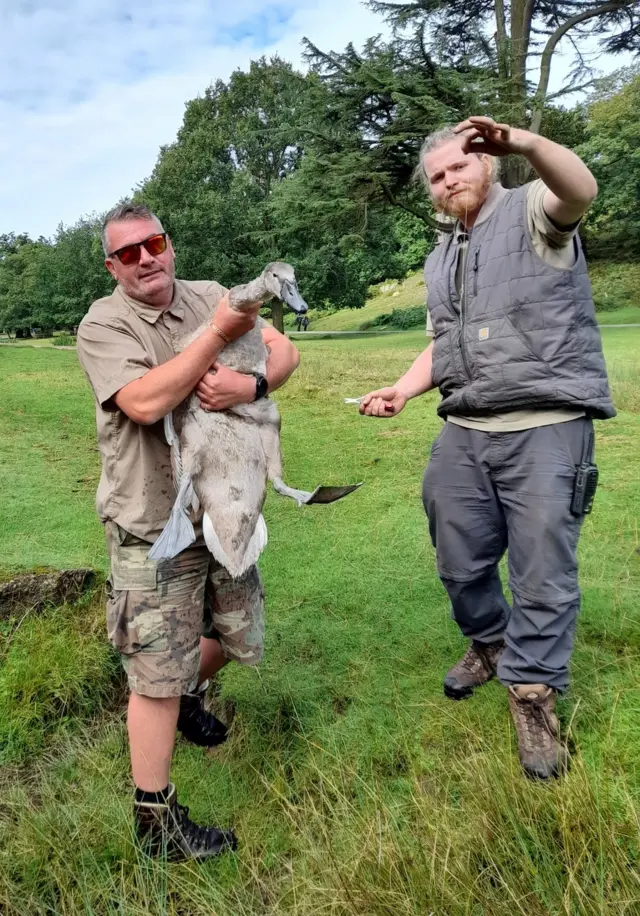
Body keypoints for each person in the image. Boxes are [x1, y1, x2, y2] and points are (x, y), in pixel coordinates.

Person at [359, 117, 614, 780]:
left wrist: (528, 144)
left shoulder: (534, 208)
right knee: (457, 555)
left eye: (459, 167)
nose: (449, 182)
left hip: (546, 425)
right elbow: (443, 344)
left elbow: (580, 189)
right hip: (466, 430)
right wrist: (404, 390)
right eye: (437, 177)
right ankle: (491, 643)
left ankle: (532, 695)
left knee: (541, 571)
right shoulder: (443, 253)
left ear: (487, 164)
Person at [77, 202, 300, 859]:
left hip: (220, 512)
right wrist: (216, 337)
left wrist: (250, 382)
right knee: (154, 674)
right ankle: (156, 822)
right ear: (112, 266)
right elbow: (144, 402)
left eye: (155, 243)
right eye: (128, 253)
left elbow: (284, 348)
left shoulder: (207, 295)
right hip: (147, 527)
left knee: (238, 635)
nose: (145, 259)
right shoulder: (103, 324)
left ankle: (188, 686)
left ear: (169, 245)